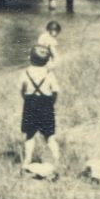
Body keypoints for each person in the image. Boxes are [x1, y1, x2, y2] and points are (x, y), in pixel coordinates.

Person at [18, 46, 61, 178]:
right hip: (46, 105)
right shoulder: (49, 74)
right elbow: (55, 91)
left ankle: (27, 160)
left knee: (30, 135)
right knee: (50, 136)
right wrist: (51, 103)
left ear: (30, 58)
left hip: (30, 104)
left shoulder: (25, 73)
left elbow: (22, 89)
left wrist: (27, 99)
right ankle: (57, 160)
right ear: (47, 61)